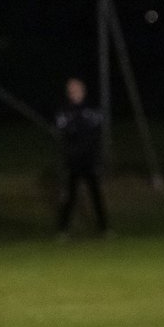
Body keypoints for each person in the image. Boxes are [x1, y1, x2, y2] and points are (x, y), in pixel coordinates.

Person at [54, 78, 109, 237]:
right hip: (73, 160)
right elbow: (64, 127)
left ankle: (104, 228)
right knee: (70, 195)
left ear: (83, 91)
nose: (74, 93)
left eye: (77, 89)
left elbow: (95, 126)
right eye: (71, 90)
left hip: (89, 158)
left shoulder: (91, 108)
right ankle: (62, 229)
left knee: (95, 193)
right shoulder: (64, 110)